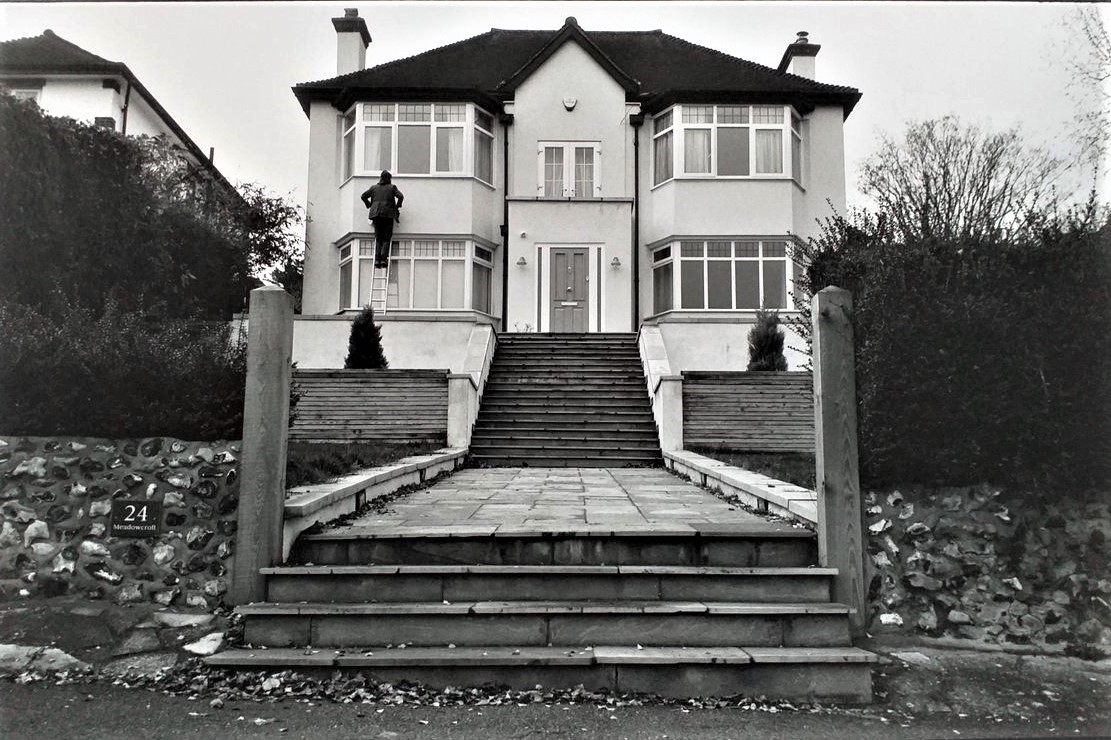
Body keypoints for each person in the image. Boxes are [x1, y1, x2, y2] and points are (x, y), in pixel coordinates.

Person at [360, 171, 404, 268]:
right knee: (386, 238)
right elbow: (400, 196)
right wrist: (397, 205)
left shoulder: (373, 188)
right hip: (388, 215)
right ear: (388, 178)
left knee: (378, 238)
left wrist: (369, 205)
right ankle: (383, 259)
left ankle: (377, 260)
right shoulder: (392, 187)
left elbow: (363, 196)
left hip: (376, 215)